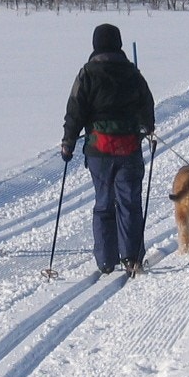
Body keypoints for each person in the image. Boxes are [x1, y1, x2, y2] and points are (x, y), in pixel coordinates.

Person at [61, 23, 157, 276]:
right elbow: (146, 104)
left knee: (103, 203)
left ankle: (106, 260)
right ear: (119, 44)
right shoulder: (133, 73)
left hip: (98, 151)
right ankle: (132, 258)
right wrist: (148, 127)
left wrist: (68, 142)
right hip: (128, 148)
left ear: (95, 45)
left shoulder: (87, 74)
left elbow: (75, 110)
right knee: (129, 203)